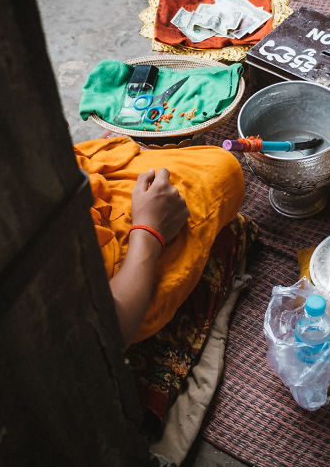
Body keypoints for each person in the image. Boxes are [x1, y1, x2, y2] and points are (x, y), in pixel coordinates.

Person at [74, 135, 246, 347]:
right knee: (223, 171)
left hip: (79, 199)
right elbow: (108, 330)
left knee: (209, 164)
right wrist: (149, 230)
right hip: (117, 299)